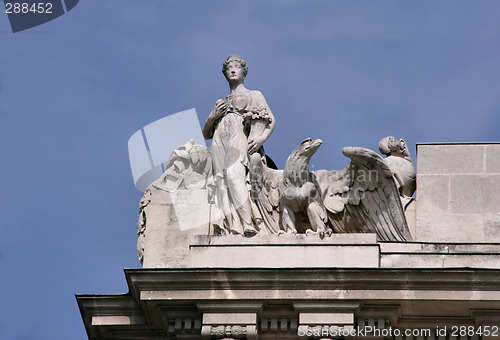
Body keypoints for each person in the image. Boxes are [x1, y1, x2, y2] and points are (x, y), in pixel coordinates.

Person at [203, 55, 275, 236]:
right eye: (229, 68)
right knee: (221, 182)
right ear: (225, 74)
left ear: (244, 72)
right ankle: (231, 225)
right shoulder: (221, 102)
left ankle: (247, 223)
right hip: (219, 139)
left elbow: (270, 120)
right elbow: (206, 133)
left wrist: (261, 139)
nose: (233, 70)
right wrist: (212, 116)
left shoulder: (254, 95)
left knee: (235, 176)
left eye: (237, 67)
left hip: (239, 135)